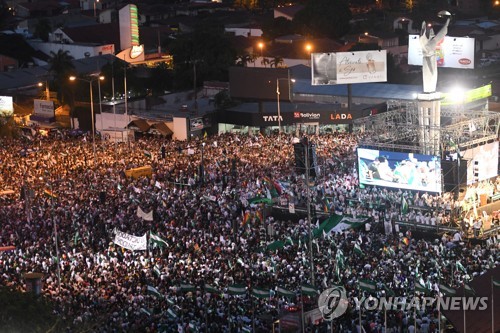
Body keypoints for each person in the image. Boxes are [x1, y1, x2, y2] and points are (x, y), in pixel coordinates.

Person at [419, 17, 450, 93]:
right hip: (427, 59)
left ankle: (430, 90)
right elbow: (440, 34)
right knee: (429, 76)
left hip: (431, 58)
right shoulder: (425, 42)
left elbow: (441, 33)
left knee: (432, 75)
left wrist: (447, 24)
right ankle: (428, 90)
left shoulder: (432, 41)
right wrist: (423, 28)